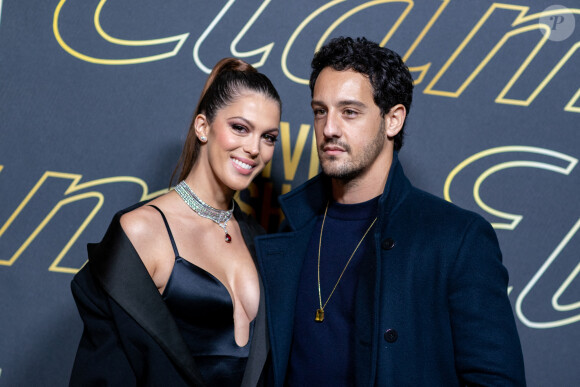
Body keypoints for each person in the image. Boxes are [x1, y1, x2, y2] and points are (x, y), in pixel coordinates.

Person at [255, 37, 526, 386]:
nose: (329, 129)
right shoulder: (289, 227)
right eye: (320, 111)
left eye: (350, 112)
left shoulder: (458, 239)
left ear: (393, 120)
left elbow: (496, 380)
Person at [69, 58, 281, 386]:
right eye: (240, 127)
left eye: (268, 137)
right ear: (202, 127)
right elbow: (104, 373)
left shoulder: (259, 240)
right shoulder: (142, 230)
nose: (254, 148)